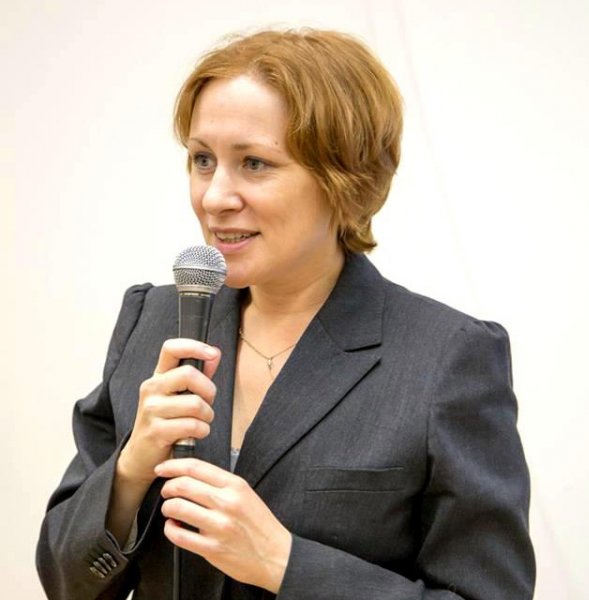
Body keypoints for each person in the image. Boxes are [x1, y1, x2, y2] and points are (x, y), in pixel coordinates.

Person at [36, 28, 535, 600]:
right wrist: (129, 472)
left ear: (344, 179)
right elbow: (64, 583)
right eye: (203, 160)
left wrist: (283, 562)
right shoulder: (153, 318)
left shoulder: (446, 357)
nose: (215, 197)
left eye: (254, 163)